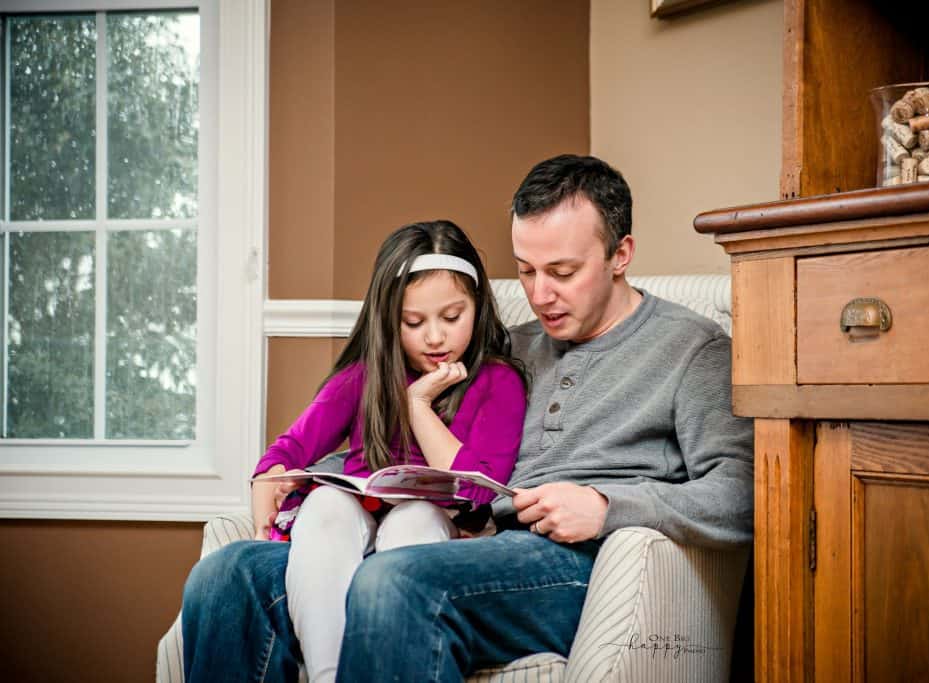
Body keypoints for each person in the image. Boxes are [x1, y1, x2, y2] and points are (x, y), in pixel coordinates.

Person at [181, 155, 753, 682]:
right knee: (227, 578)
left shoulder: (691, 349)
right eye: (526, 271)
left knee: (398, 580)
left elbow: (742, 494)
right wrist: (293, 474)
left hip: (581, 566)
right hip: (475, 544)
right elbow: (402, 431)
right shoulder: (511, 347)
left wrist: (606, 508)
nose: (540, 294)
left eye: (562, 271)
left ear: (621, 254)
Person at [197, 220, 528, 683]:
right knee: (327, 504)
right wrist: (268, 476)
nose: (435, 337)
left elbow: (475, 488)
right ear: (389, 321)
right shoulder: (365, 377)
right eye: (414, 323)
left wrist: (418, 406)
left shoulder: (499, 382)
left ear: (478, 306)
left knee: (414, 517)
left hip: (437, 531)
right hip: (351, 528)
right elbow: (292, 446)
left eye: (452, 317)